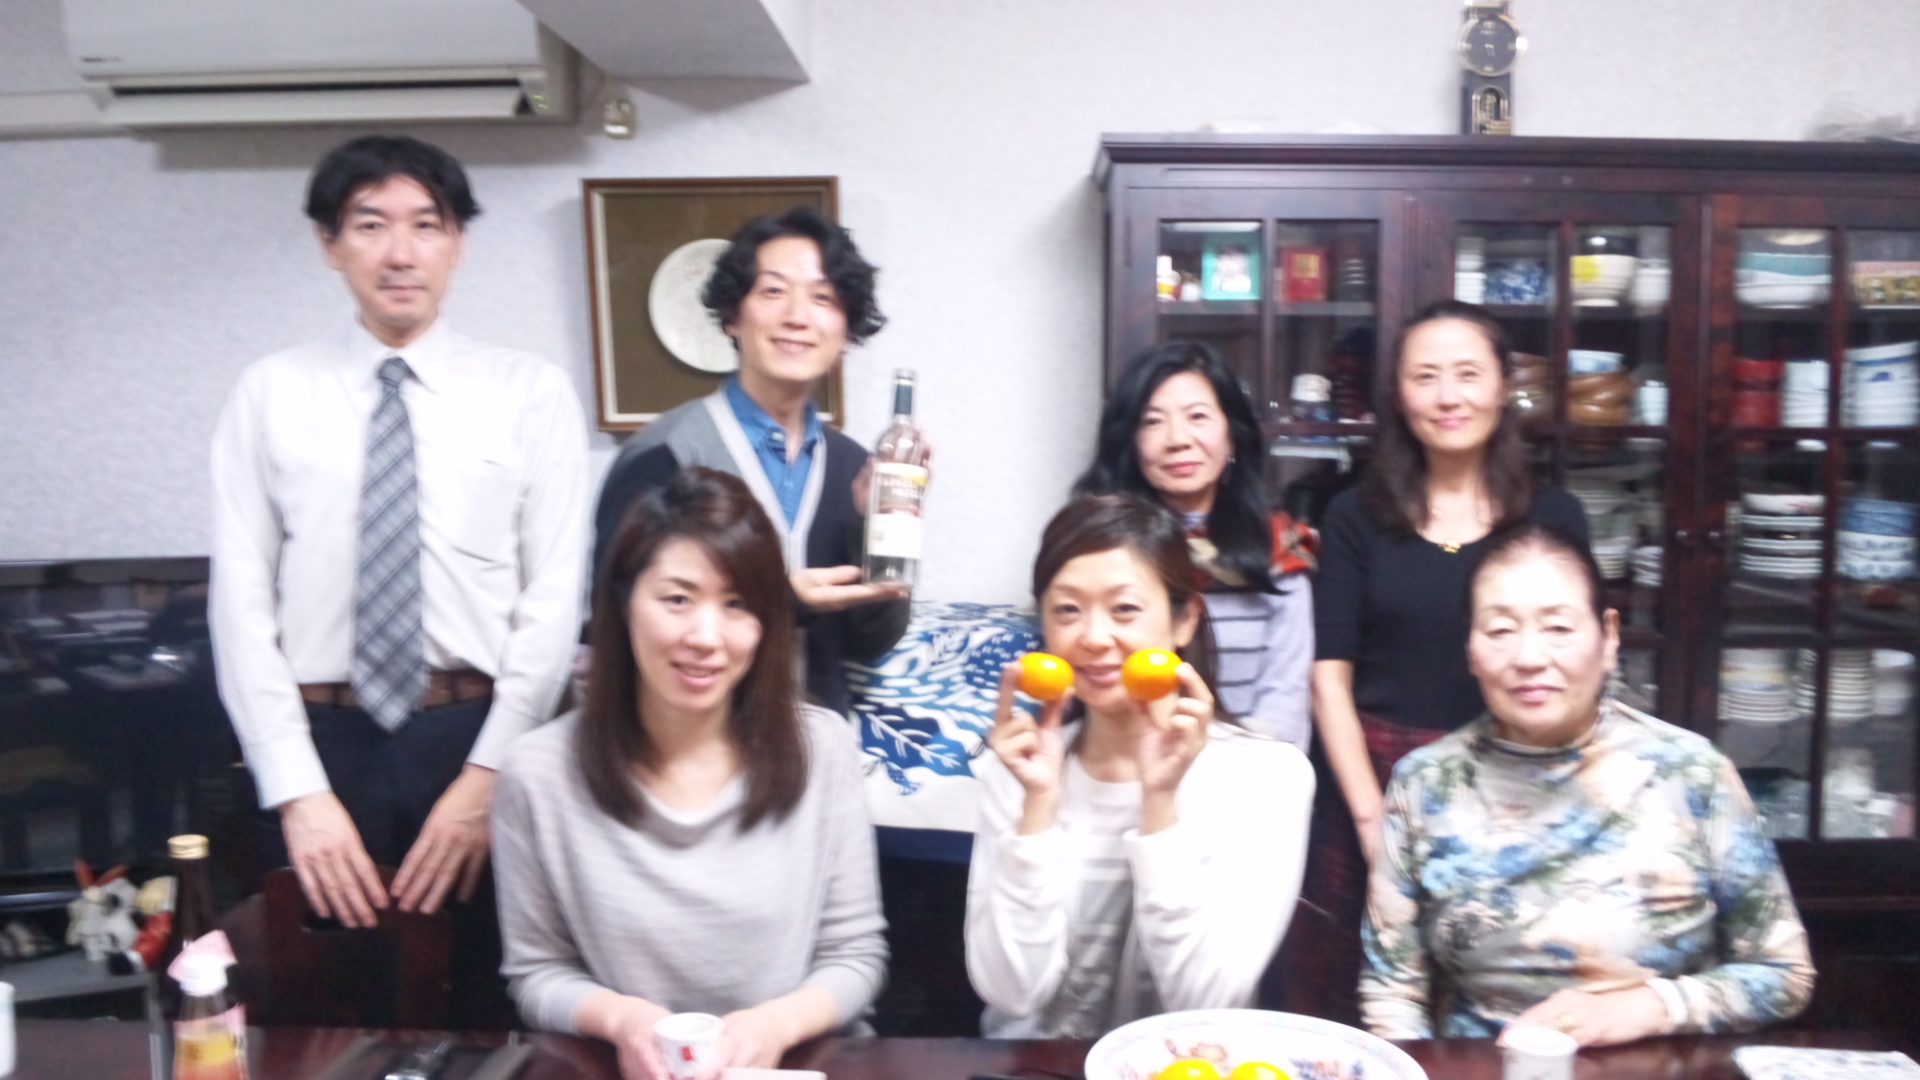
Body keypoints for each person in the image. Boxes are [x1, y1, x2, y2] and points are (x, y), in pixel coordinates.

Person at [209, 135, 587, 1023]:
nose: (400, 252)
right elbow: (239, 605)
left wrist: (489, 778)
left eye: (426, 224)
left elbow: (552, 602)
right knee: (321, 1020)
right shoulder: (270, 393)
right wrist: (297, 792)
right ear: (329, 243)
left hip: (475, 737)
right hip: (320, 744)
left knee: (488, 1011)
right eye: (370, 225)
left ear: (458, 243)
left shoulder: (529, 393)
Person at [493, 468, 888, 1080]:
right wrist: (625, 1021)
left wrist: (773, 1027)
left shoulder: (822, 748)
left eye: (737, 605)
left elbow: (856, 955)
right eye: (677, 600)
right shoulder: (538, 773)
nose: (706, 637)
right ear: (622, 604)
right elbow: (537, 973)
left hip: (795, 1065)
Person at [1361, 524, 1815, 1042]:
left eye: (1558, 627)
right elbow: (1393, 993)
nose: (1529, 658)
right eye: (1500, 631)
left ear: (1609, 636)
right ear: (1470, 649)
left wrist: (1649, 1007)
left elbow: (1784, 975)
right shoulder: (1424, 784)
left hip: (1659, 1063)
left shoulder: (1691, 773)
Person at [1289, 300, 1590, 1022]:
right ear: (1399, 394)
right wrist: (1374, 822)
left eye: (1467, 374)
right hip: (1379, 777)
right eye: (1425, 377)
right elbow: (1330, 679)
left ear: (1504, 386)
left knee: (1509, 1001)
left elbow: (1573, 665)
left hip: (1521, 783)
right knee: (1365, 1006)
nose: (1448, 396)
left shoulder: (1553, 516)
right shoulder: (1355, 515)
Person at [965, 494, 1313, 1038]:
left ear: (1184, 619)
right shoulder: (1018, 771)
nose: (1093, 637)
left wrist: (1160, 805)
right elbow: (1010, 994)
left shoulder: (1267, 778)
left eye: (1124, 608)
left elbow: (1206, 1002)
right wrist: (1037, 808)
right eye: (1067, 610)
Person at [592, 206, 910, 718]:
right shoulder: (666, 453)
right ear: (733, 317)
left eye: (823, 297)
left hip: (816, 748)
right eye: (773, 291)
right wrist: (783, 601)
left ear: (846, 329)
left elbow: (870, 643)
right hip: (686, 744)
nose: (797, 316)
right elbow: (608, 621)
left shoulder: (855, 466)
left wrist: (877, 527)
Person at [1075, 340, 1315, 749]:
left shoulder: (1278, 546)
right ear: (1129, 441)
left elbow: (1285, 702)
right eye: (1153, 422)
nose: (1178, 439)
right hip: (1125, 757)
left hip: (1251, 767)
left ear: (1232, 434)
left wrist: (1218, 772)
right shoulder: (1097, 547)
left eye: (1198, 416)